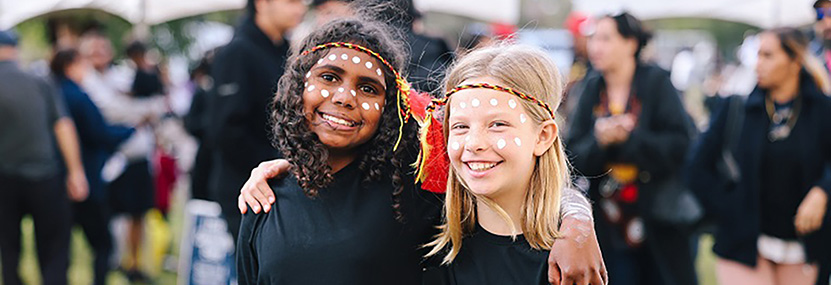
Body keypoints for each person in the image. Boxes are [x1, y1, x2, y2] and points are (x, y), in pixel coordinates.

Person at [236, 18, 607, 285]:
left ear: (391, 106)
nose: (344, 98)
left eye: (368, 88)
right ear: (297, 85)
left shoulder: (409, 193)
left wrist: (577, 223)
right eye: (329, 77)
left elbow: (522, 188)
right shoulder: (264, 199)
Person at [688, 27, 831, 285]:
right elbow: (696, 167)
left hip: (803, 245)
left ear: (795, 61)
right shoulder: (737, 108)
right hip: (744, 244)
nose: (758, 64)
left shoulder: (822, 110)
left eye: (768, 56)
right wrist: (729, 209)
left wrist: (823, 191)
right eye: (758, 55)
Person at [420, 44, 574, 284]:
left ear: (543, 136)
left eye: (497, 124)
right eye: (460, 126)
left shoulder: (570, 263)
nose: (473, 143)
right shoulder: (427, 242)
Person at [566, 12, 697, 285]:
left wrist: (630, 138)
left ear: (631, 44)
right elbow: (572, 155)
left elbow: (680, 145)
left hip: (658, 219)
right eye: (593, 39)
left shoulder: (656, 81)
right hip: (608, 221)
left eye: (605, 38)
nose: (595, 47)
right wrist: (600, 141)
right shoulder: (591, 87)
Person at [206, 0, 306, 239]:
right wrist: (273, 166)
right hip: (245, 188)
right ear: (262, 3)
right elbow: (226, 130)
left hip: (281, 183)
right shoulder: (237, 52)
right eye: (291, 1)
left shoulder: (284, 51)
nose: (300, 8)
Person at [0, 30, 87, 285]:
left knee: (8, 248)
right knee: (53, 250)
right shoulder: (39, 81)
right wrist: (76, 172)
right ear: (15, 50)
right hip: (44, 177)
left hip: (4, 179)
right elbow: (64, 127)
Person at [78, 32, 165, 282]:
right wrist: (139, 113)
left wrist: (136, 110)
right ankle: (112, 261)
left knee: (138, 213)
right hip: (110, 159)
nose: (100, 54)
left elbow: (157, 105)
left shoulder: (122, 75)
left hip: (138, 156)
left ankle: (134, 264)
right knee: (111, 216)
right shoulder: (87, 81)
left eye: (103, 49)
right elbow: (107, 110)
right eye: (93, 50)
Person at [51, 48, 135, 285]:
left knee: (60, 247)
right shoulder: (77, 95)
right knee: (102, 244)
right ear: (71, 65)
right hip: (85, 177)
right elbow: (99, 133)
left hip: (56, 180)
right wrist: (129, 130)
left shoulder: (52, 91)